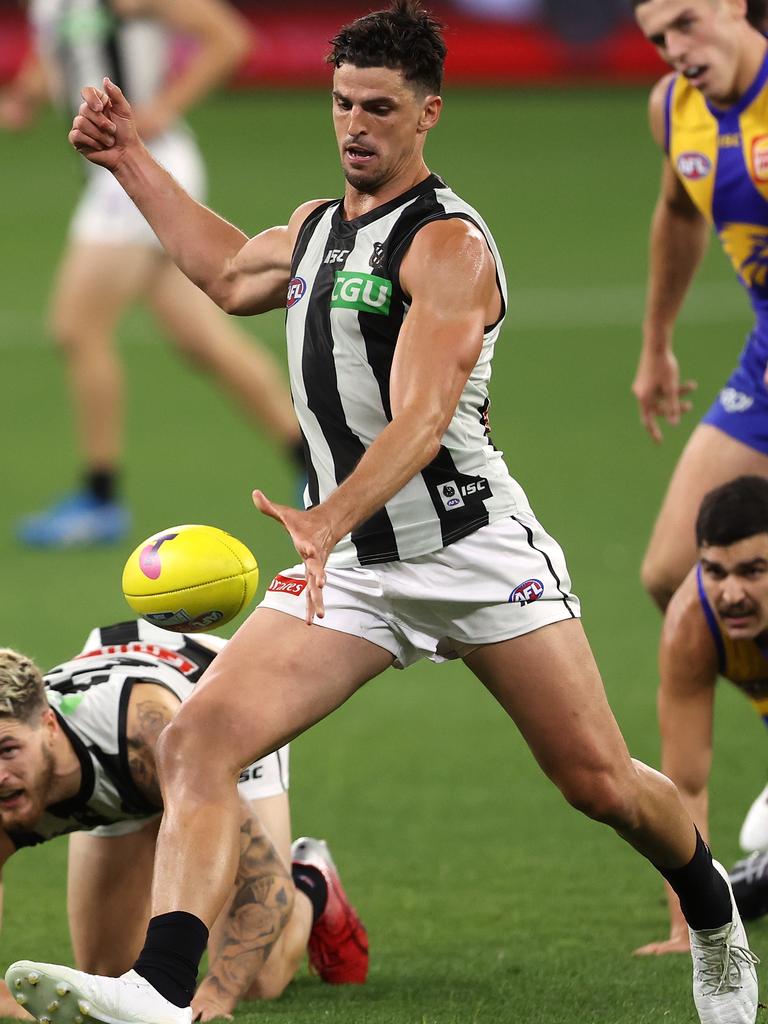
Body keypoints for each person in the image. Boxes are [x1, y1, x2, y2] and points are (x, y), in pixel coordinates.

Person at [8, 3, 760, 1023]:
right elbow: (228, 272)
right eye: (341, 104)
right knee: (197, 742)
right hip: (354, 570)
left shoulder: (447, 246)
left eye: (379, 108)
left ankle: (713, 909)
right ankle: (161, 986)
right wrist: (130, 158)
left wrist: (329, 514)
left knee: (598, 782)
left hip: (473, 553)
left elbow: (424, 414)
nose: (355, 125)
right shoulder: (320, 227)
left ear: (428, 113)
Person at [0, 0, 303, 548]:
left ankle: (99, 498)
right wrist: (25, 94)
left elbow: (231, 39)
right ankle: (315, 461)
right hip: (108, 177)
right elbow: (60, 54)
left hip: (144, 168)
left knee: (76, 327)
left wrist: (162, 106)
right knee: (202, 339)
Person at [0, 620, 368, 1022]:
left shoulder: (143, 735)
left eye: (8, 749)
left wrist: (217, 995)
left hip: (219, 708)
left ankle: (313, 881)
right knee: (108, 975)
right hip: (127, 757)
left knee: (260, 978)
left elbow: (265, 887)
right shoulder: (23, 772)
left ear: (49, 726)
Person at [631, 0, 768, 612]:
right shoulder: (673, 107)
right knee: (674, 577)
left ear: (734, 6)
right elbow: (681, 211)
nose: (676, 49)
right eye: (660, 38)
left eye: (687, 23)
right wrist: (657, 342)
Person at [633, 475, 768, 954]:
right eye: (715, 571)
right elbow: (685, 787)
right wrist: (690, 929)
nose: (730, 593)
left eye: (752, 571)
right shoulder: (692, 624)